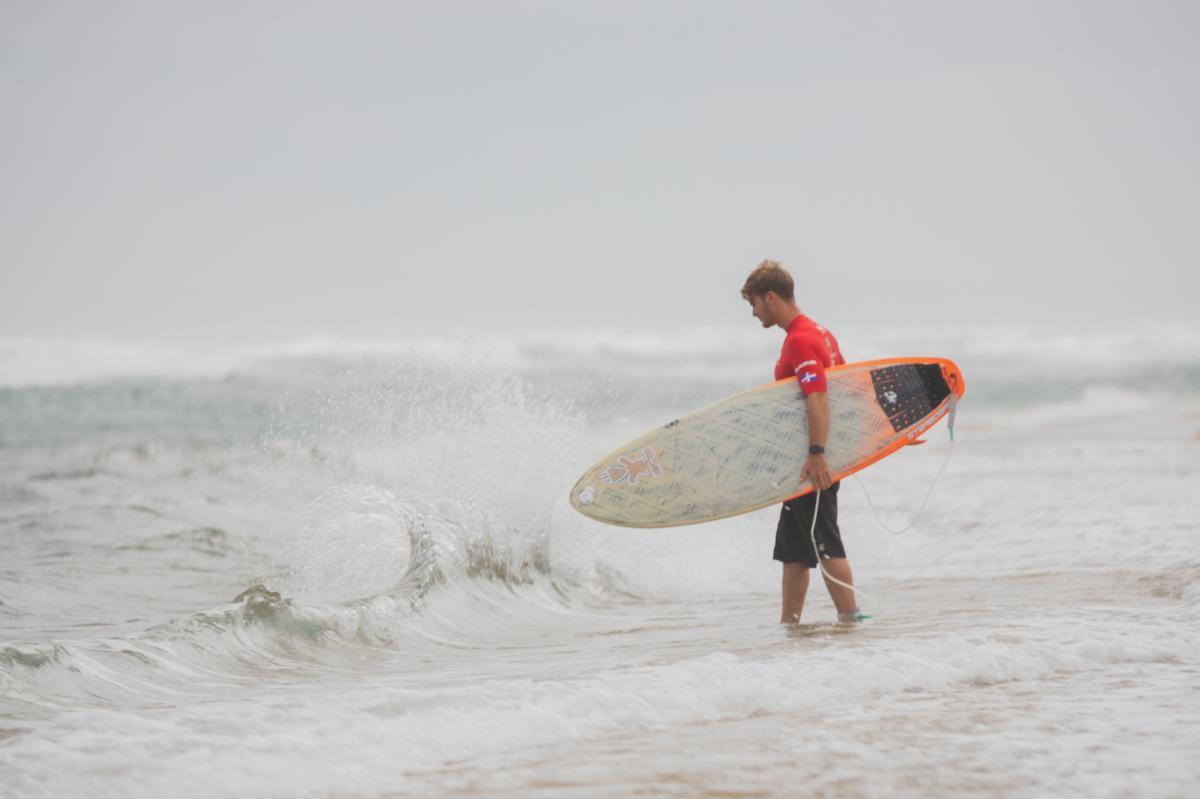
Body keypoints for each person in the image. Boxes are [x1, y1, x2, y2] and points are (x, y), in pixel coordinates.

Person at [740, 260, 865, 624]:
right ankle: (789, 625)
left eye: (754, 304)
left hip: (812, 461)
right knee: (793, 552)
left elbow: (820, 397)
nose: (753, 312)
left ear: (771, 297)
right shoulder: (820, 333)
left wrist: (817, 454)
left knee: (826, 541)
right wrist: (884, 435)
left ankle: (852, 620)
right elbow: (848, 391)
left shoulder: (800, 340)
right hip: (802, 462)